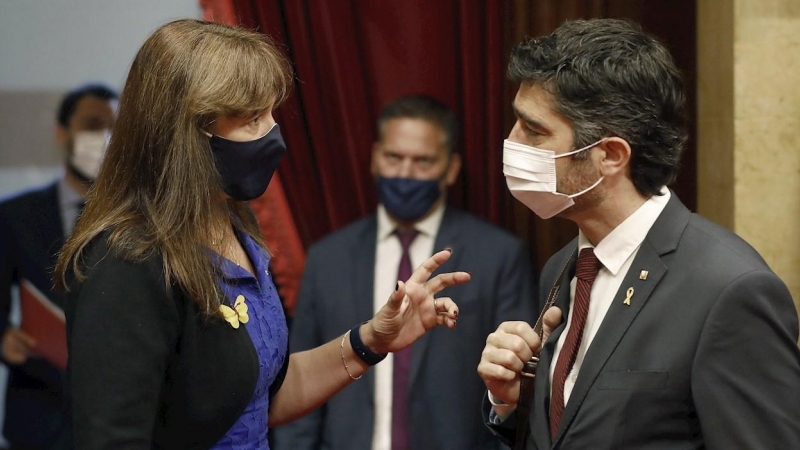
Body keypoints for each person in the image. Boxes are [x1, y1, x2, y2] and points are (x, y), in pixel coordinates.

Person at [53, 19, 469, 449]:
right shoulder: (125, 262)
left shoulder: (234, 222)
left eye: (272, 113)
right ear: (188, 136)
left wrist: (370, 341)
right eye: (253, 119)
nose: (274, 136)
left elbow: (257, 398)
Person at [477, 18, 800, 449]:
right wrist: (510, 404)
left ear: (610, 155)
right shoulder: (565, 268)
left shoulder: (729, 290)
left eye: (534, 131)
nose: (512, 142)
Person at [272, 95, 536, 450]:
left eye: (423, 161)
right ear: (375, 159)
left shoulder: (498, 256)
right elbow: (297, 381)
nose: (405, 173)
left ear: (451, 168)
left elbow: (514, 383)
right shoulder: (327, 258)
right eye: (394, 158)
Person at [0, 82, 118, 449]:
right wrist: (3, 338)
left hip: (119, 420)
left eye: (111, 128)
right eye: (91, 125)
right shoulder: (15, 216)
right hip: (39, 416)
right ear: (61, 133)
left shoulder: (138, 221)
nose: (102, 137)